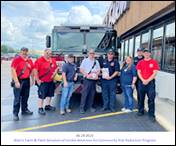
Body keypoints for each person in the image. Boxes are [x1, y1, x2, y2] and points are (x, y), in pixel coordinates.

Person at [136, 48, 159, 122]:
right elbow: (138, 72)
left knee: (151, 99)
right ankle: (140, 111)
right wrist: (143, 80)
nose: (146, 54)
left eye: (147, 52)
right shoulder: (140, 62)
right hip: (141, 82)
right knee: (141, 98)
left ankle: (151, 114)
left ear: (150, 54)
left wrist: (147, 80)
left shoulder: (154, 62)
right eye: (145, 53)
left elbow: (155, 73)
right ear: (143, 54)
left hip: (150, 83)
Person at [11, 47, 34, 121]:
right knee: (17, 98)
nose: (24, 53)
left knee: (25, 96)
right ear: (20, 52)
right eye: (23, 51)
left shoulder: (29, 60)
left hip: (27, 80)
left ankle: (24, 110)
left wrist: (32, 79)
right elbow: (13, 70)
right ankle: (15, 113)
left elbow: (32, 70)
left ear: (27, 52)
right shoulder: (16, 60)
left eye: (26, 51)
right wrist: (16, 81)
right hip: (19, 80)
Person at [34, 48, 57, 115]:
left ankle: (48, 106)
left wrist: (54, 74)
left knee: (49, 94)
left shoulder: (53, 60)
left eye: (50, 53)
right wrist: (37, 80)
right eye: (47, 53)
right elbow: (35, 71)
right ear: (44, 53)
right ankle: (40, 108)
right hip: (42, 81)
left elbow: (55, 68)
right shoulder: (39, 60)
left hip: (50, 80)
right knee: (42, 95)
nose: (49, 55)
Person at [79, 49, 100, 114]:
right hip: (87, 80)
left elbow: (99, 69)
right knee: (85, 94)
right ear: (88, 54)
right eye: (90, 53)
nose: (92, 54)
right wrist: (87, 75)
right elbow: (81, 69)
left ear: (94, 54)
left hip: (93, 80)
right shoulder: (85, 60)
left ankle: (90, 106)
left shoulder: (96, 61)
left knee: (92, 94)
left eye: (93, 53)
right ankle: (82, 108)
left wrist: (97, 74)